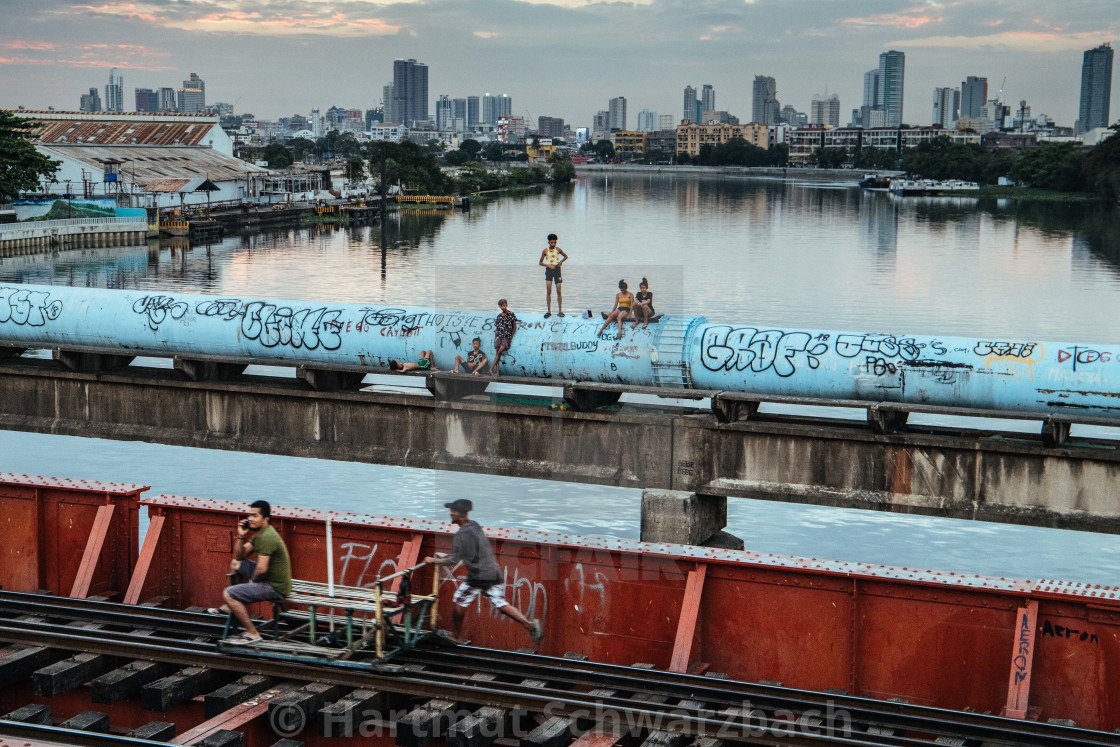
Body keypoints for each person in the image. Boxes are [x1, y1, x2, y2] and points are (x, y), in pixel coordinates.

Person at [424, 499, 542, 646]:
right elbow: (461, 554)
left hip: (478, 575)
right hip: (492, 572)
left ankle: (456, 636)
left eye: (453, 511)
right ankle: (529, 625)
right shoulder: (474, 525)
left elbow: (454, 560)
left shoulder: (461, 534)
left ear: (460, 514)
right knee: (501, 603)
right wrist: (445, 556)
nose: (450, 513)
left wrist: (432, 561)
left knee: (459, 600)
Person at [208, 500, 291, 645]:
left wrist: (252, 584)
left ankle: (253, 632)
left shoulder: (267, 537)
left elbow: (261, 569)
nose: (250, 519)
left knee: (228, 593)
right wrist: (241, 536)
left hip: (275, 587)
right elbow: (239, 556)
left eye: (255, 516)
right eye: (250, 515)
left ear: (265, 519)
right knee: (236, 564)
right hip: (270, 579)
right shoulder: (260, 534)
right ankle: (231, 605)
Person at [538, 233, 568, 318]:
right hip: (549, 271)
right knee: (549, 291)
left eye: (554, 242)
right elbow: (540, 262)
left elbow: (566, 256)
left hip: (557, 270)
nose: (553, 244)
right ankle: (549, 311)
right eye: (551, 242)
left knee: (559, 291)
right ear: (548, 242)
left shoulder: (558, 249)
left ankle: (560, 311)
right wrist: (548, 265)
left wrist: (561, 262)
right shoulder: (545, 251)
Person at [488, 299, 517, 376]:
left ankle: (491, 368)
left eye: (503, 305)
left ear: (506, 305)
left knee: (500, 351)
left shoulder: (511, 314)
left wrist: (511, 336)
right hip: (499, 336)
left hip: (506, 336)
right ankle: (497, 372)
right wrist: (496, 337)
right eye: (501, 306)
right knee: (498, 353)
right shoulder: (499, 316)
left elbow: (514, 326)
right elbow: (497, 328)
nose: (502, 307)